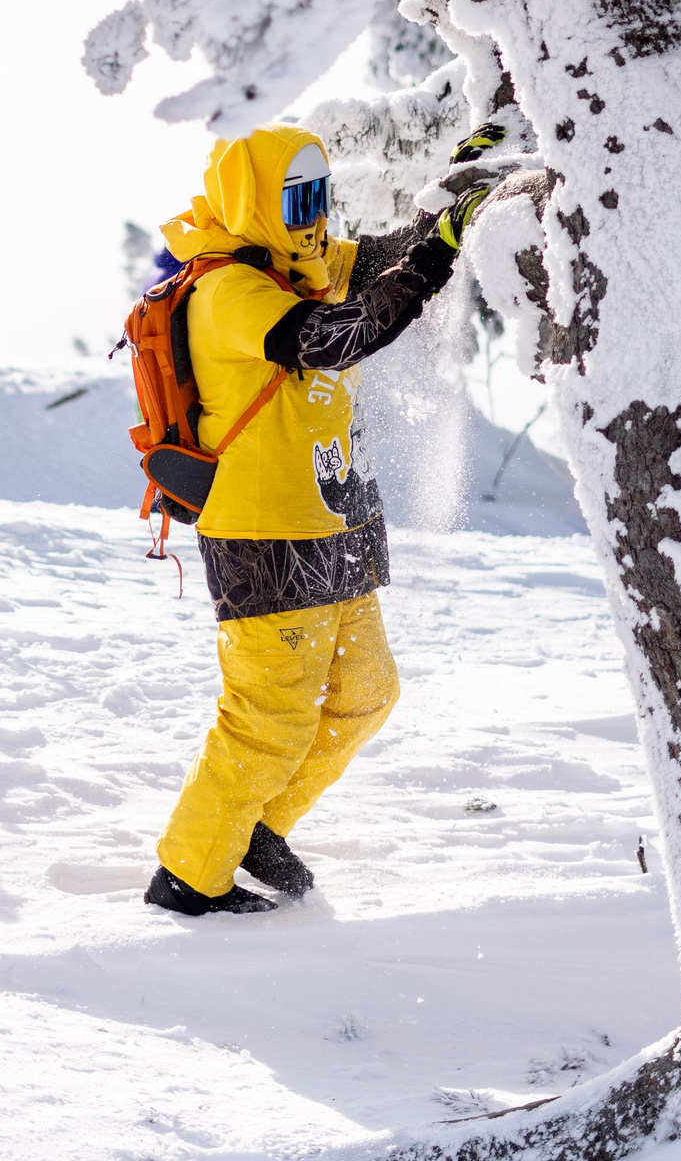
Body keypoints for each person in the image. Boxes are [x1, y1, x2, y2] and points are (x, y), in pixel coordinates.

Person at [144, 121, 504, 916]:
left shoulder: (307, 263)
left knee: (367, 692)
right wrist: (435, 255)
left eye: (318, 194)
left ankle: (255, 828)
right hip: (264, 533)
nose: (313, 216)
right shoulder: (228, 293)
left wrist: (457, 191)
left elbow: (387, 255)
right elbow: (339, 337)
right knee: (266, 717)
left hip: (334, 523)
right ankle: (189, 875)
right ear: (254, 202)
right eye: (294, 198)